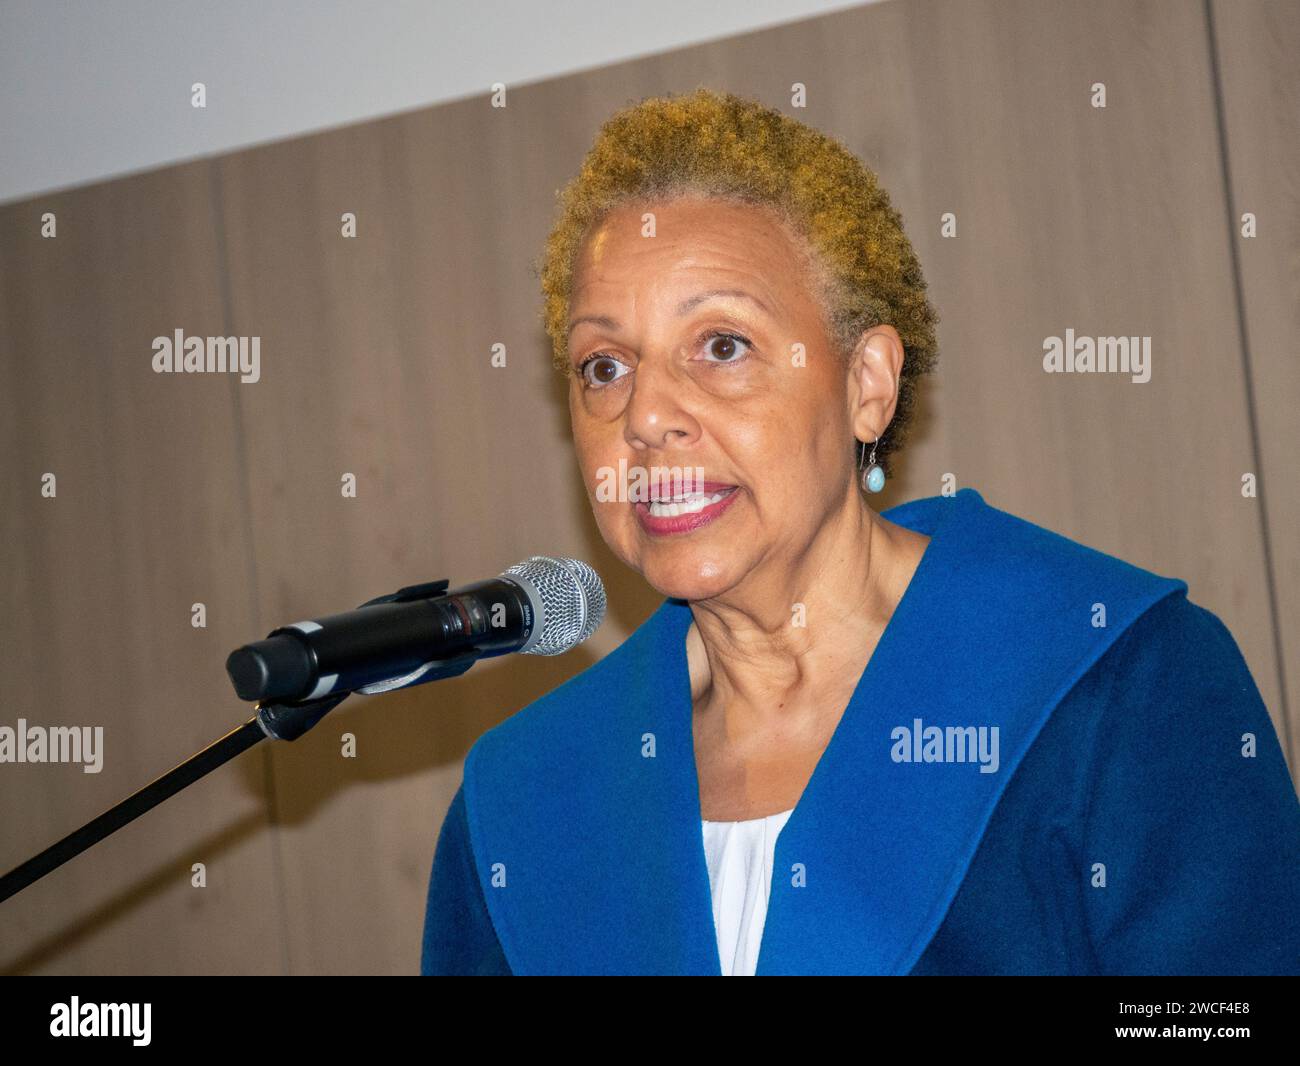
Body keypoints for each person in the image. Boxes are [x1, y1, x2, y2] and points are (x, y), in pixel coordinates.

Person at [420, 87, 1300, 975]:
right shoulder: (524, 803)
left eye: (721, 346)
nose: (645, 416)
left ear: (867, 384)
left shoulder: (1117, 679)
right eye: (603, 366)